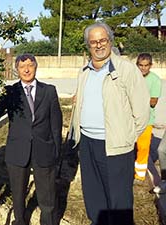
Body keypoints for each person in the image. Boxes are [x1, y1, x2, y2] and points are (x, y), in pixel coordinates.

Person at [71, 22, 150, 225]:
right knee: (94, 196)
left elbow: (141, 114)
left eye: (102, 40)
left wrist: (126, 138)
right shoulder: (84, 72)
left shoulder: (127, 70)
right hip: (88, 143)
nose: (98, 45)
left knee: (119, 201)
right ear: (88, 45)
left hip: (115, 147)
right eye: (93, 42)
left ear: (110, 41)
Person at [0, 53, 62, 225]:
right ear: (17, 70)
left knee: (47, 197)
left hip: (43, 150)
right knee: (18, 195)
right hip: (18, 151)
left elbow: (56, 124)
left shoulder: (49, 91)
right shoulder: (11, 92)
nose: (26, 69)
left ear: (36, 66)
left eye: (30, 65)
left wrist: (56, 152)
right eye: (22, 67)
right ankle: (20, 221)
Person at [134, 53, 162, 183]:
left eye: (146, 65)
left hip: (147, 120)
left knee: (143, 147)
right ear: (137, 65)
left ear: (150, 65)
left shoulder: (155, 80)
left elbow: (153, 102)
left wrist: (138, 99)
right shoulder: (132, 77)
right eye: (141, 65)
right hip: (131, 118)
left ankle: (139, 175)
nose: (143, 68)